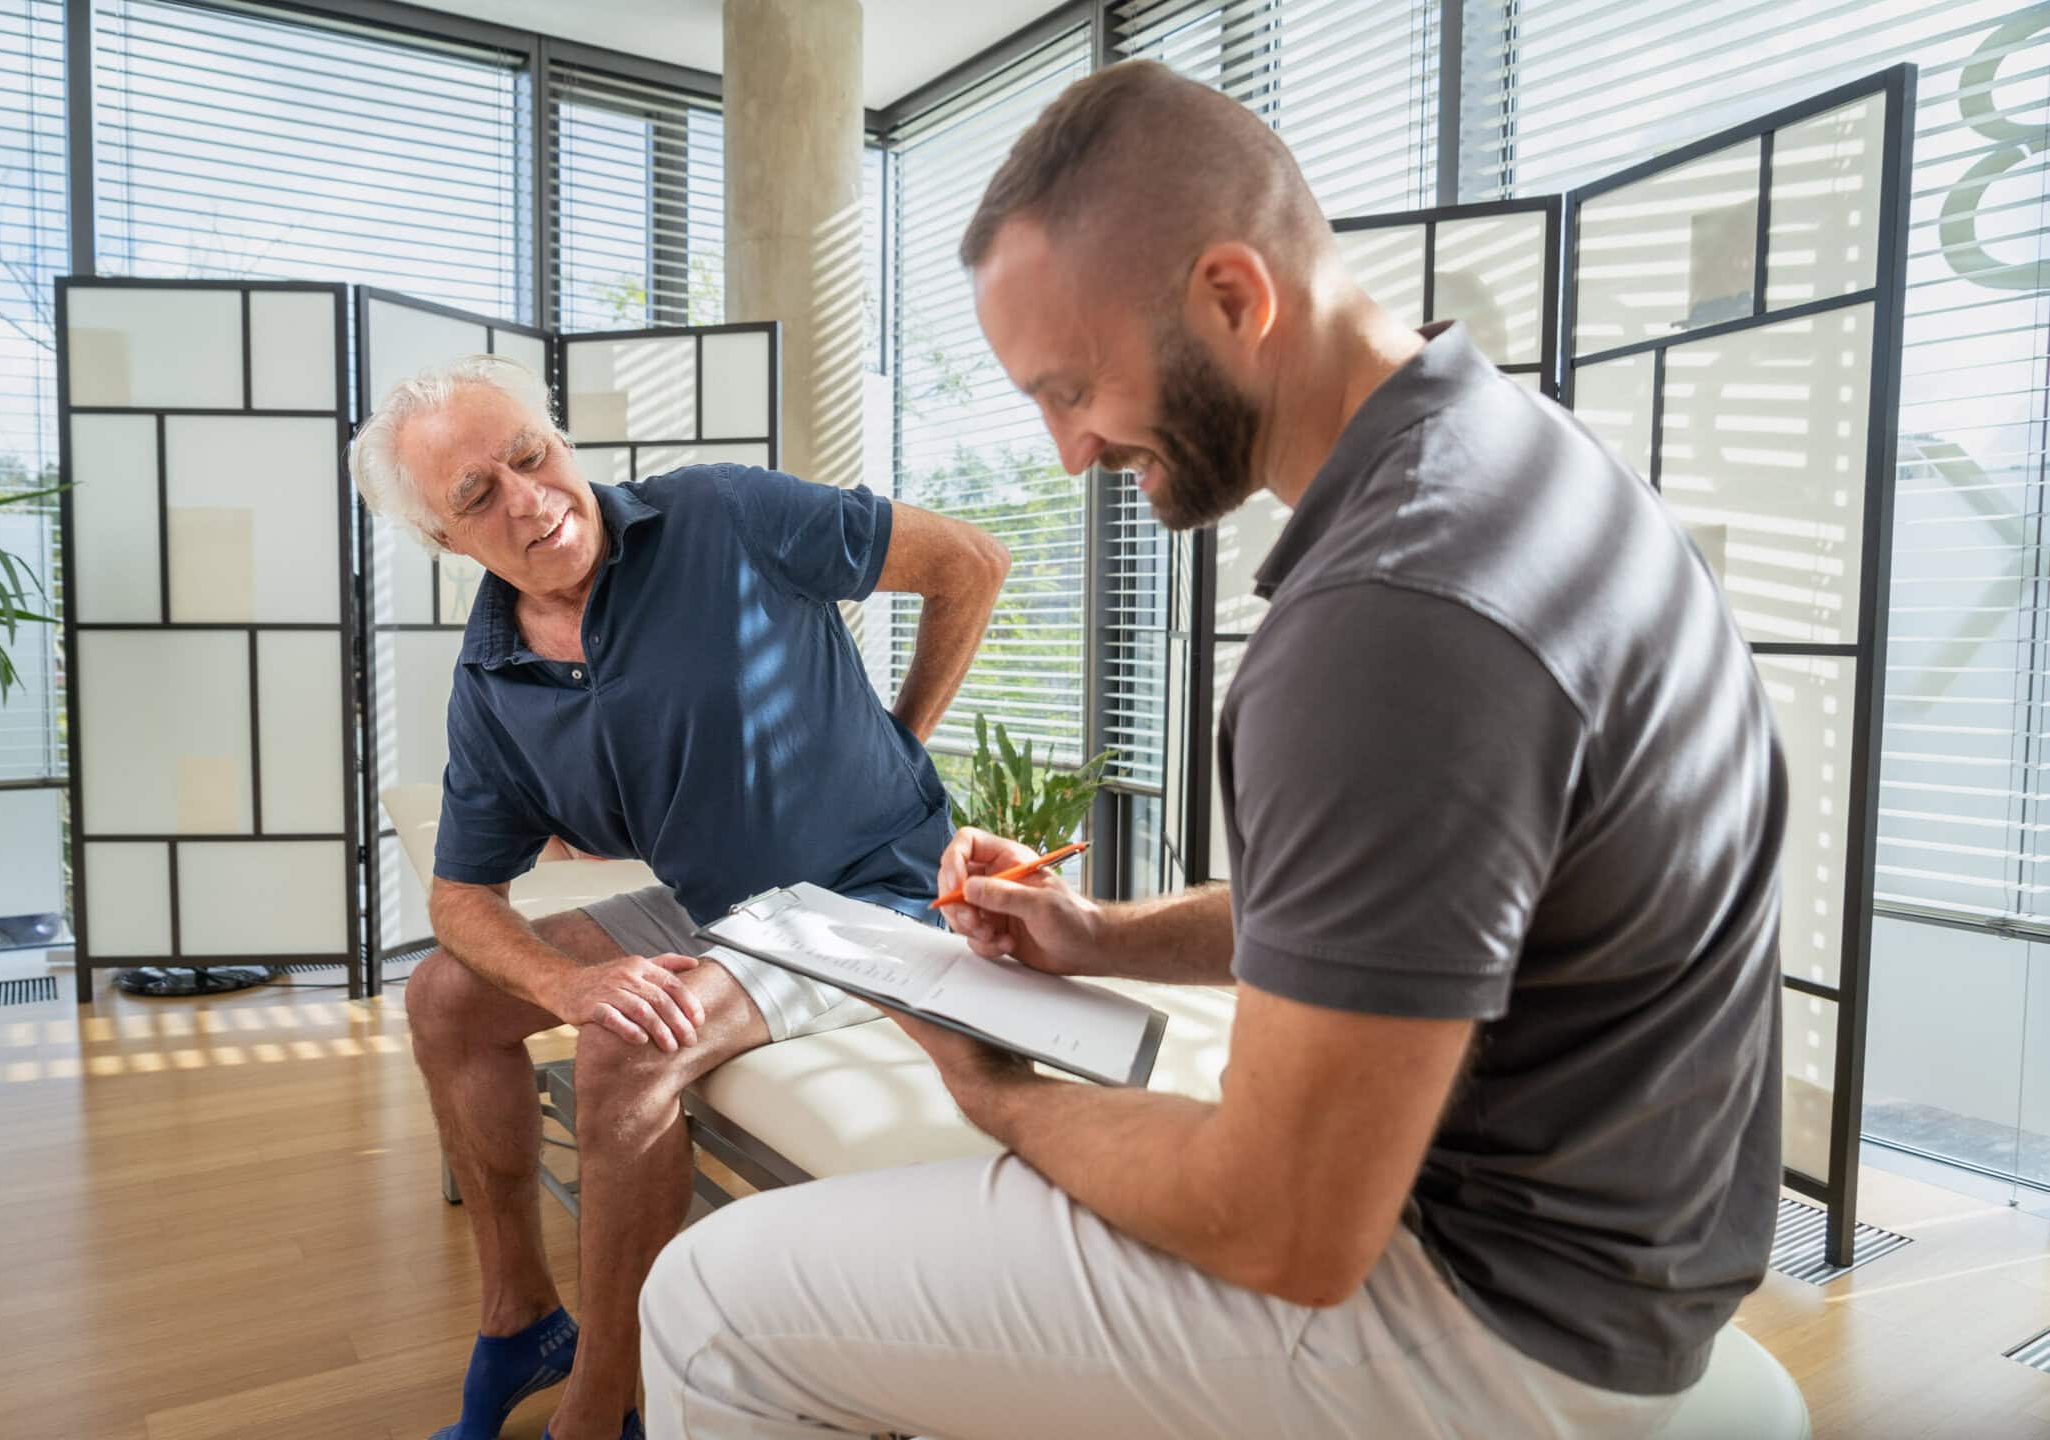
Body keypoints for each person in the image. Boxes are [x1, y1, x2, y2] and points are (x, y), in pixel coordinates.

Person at [636, 59, 1786, 1439]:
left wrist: (999, 1095)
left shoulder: (1387, 615)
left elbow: (1286, 1225)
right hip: (1645, 1269)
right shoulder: (1524, 465)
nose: (1067, 453)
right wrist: (1093, 934)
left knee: (706, 1304)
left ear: (1234, 298)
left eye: (1072, 388)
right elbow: (1415, 913)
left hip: (1487, 1322)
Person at [346, 354, 1010, 1440]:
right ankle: (520, 1322)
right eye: (476, 494)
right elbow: (462, 896)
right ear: (442, 538)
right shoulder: (494, 680)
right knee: (443, 998)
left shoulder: (723, 513)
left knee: (630, 1041)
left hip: (871, 900)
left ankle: (606, 1405)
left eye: (529, 453)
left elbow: (970, 563)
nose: (527, 497)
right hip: (721, 910)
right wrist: (566, 982)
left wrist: (901, 741)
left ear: (558, 439)